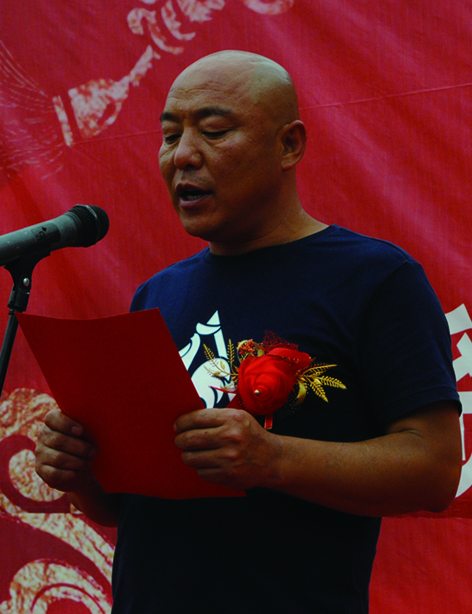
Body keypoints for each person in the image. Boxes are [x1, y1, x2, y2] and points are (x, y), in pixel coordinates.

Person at [35, 50, 462, 613]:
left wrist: (273, 458)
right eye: (170, 136)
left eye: (214, 131)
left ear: (289, 145)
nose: (183, 155)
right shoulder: (157, 294)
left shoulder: (376, 279)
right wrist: (80, 470)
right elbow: (126, 507)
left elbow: (435, 470)